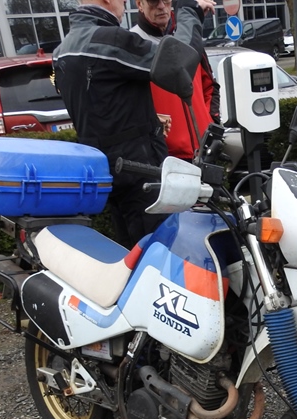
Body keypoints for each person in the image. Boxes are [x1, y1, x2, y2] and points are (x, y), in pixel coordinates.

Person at [53, 0, 214, 249]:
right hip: (140, 175)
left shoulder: (63, 49)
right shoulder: (110, 40)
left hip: (106, 172)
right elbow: (178, 64)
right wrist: (188, 10)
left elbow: (104, 105)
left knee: (129, 254)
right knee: (161, 253)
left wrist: (148, 117)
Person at [130, 0, 219, 161]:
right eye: (153, 1)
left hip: (203, 149)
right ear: (140, 4)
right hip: (166, 155)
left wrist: (210, 122)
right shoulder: (133, 44)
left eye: (166, 0)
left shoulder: (188, 37)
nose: (161, 6)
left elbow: (210, 85)